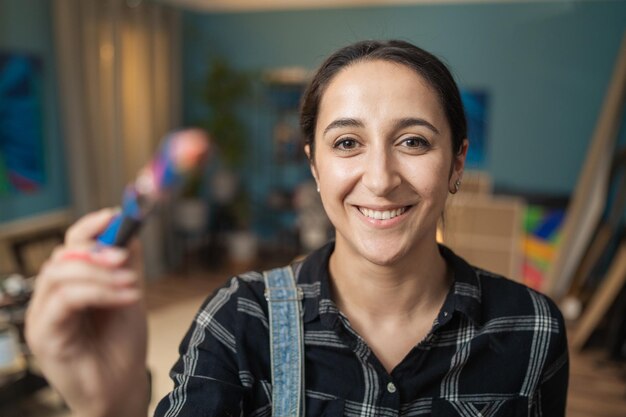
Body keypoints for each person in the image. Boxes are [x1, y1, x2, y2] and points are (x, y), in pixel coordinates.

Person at [25, 39, 568, 417]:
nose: (379, 179)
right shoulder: (240, 321)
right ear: (314, 165)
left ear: (456, 164)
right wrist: (115, 407)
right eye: (347, 143)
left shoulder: (532, 328)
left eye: (414, 141)